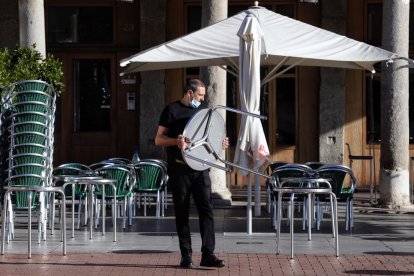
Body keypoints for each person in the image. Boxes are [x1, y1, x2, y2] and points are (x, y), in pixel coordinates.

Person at [155, 78, 228, 268]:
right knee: (182, 212)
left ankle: (208, 255)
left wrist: (221, 143)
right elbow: (158, 139)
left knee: (207, 210)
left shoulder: (202, 112)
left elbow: (210, 137)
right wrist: (175, 142)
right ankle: (186, 255)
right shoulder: (171, 110)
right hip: (180, 170)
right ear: (189, 93)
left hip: (201, 169)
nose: (203, 99)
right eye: (200, 95)